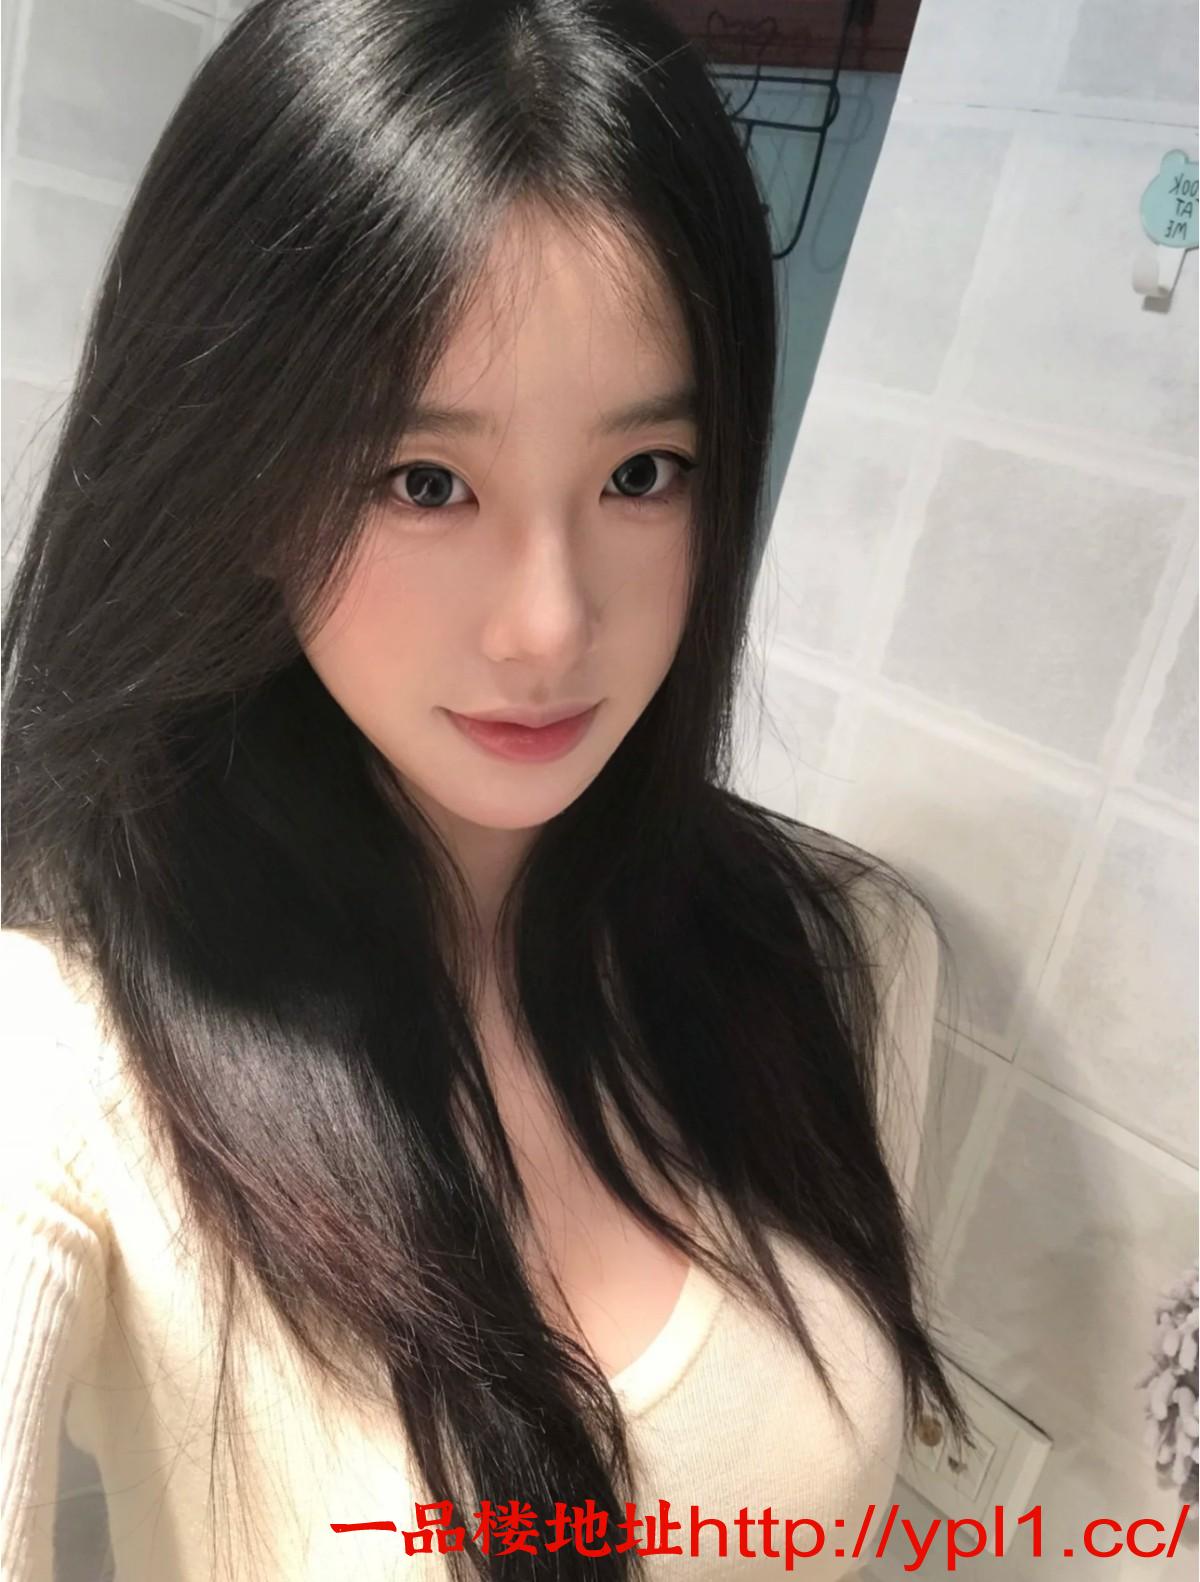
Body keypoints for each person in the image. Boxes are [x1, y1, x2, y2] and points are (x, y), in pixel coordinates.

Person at [0, 1, 972, 1578]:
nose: (550, 625)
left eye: (641, 474)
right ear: (240, 479)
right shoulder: (70, 1049)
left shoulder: (839, 957)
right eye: (425, 480)